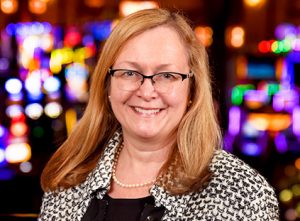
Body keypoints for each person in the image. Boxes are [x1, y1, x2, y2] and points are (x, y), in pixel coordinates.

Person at [39, 8, 279, 221]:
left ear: (192, 90)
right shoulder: (69, 179)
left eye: (167, 76)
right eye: (129, 73)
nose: (146, 91)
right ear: (107, 85)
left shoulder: (242, 193)